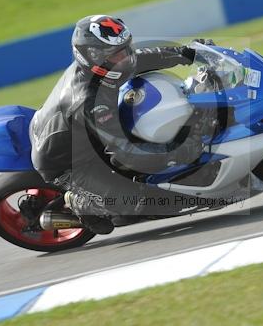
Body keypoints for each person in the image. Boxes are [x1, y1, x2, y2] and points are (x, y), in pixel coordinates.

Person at [29, 14, 212, 234]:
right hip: (69, 162)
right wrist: (179, 152)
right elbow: (124, 153)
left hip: (77, 132)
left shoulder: (107, 65)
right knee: (135, 204)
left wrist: (187, 53)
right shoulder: (88, 100)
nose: (126, 58)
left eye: (126, 48)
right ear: (93, 56)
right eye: (118, 54)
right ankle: (80, 203)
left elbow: (142, 58)